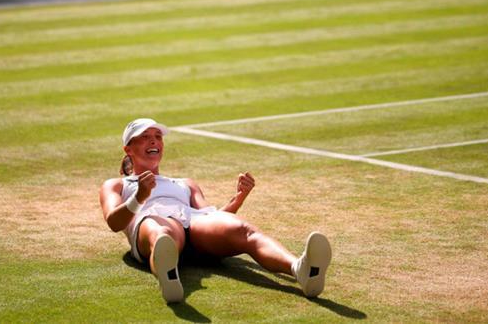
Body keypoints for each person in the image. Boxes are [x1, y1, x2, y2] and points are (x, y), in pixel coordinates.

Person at [99, 118, 332, 304]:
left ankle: (300, 269)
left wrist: (239, 198)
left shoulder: (185, 183)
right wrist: (140, 196)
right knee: (161, 231)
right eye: (145, 137)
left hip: (194, 225)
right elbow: (113, 222)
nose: (154, 141)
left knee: (243, 229)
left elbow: (211, 217)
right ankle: (168, 276)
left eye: (157, 137)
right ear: (128, 148)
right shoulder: (117, 185)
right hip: (156, 225)